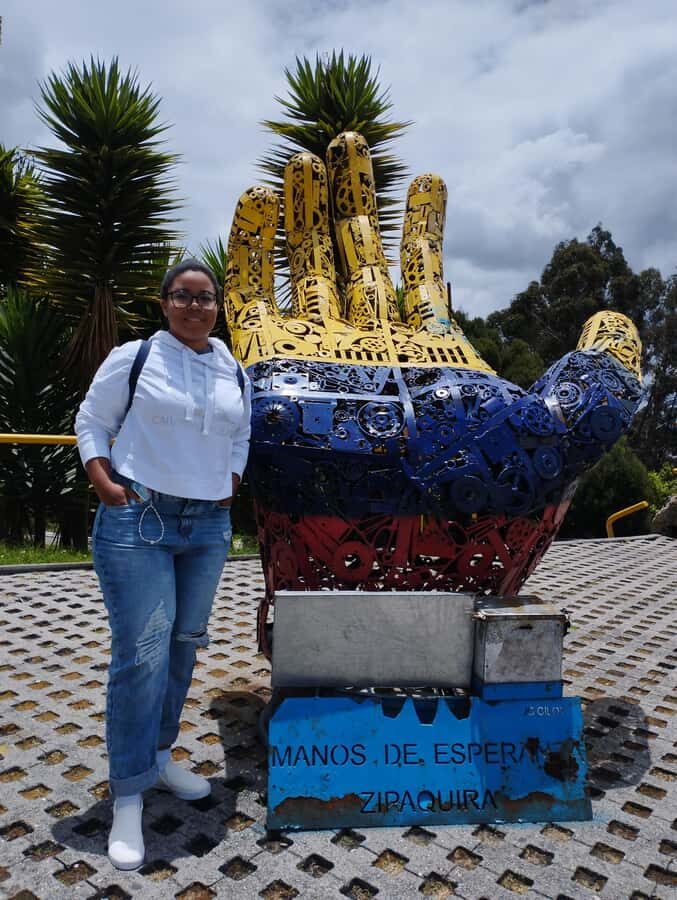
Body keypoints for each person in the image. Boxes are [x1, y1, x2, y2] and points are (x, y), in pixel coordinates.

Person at [75, 259, 251, 870]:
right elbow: (92, 422)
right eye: (183, 296)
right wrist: (103, 481)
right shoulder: (134, 356)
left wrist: (231, 479)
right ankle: (128, 792)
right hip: (137, 517)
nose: (195, 307)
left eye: (206, 299)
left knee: (183, 645)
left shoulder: (232, 366)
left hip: (207, 525)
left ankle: (158, 755)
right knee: (142, 653)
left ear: (218, 307)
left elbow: (240, 435)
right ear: (164, 302)